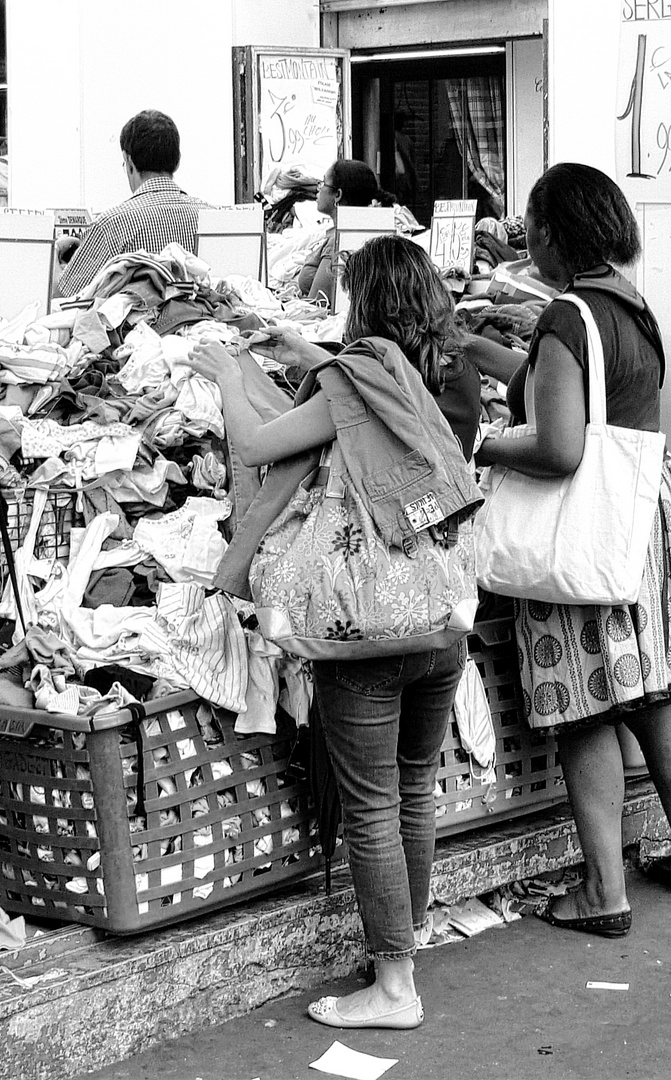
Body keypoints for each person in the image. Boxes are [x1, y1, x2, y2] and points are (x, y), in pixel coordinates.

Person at [187, 236, 480, 1031]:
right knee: (414, 783)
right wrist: (297, 353)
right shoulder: (429, 381)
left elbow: (257, 445)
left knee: (374, 804)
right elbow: (341, 409)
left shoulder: (352, 379)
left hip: (365, 633)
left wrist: (226, 378)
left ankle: (393, 987)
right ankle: (408, 935)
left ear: (365, 305)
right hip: (440, 622)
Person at [474, 163, 671, 935]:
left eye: (531, 226)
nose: (527, 240)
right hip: (647, 522)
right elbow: (582, 396)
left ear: (553, 233)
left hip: (585, 531)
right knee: (658, 696)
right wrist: (482, 351)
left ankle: (603, 893)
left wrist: (487, 444)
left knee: (588, 710)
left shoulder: (566, 315)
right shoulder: (631, 305)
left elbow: (557, 448)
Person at [54, 110, 204, 298]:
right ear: (178, 160)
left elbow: (62, 298)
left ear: (128, 160)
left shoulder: (110, 225)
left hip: (136, 327)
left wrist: (55, 252)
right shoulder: (213, 219)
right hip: (210, 325)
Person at [297, 159, 396, 306]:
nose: (318, 189)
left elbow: (317, 304)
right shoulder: (360, 231)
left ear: (337, 195)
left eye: (323, 183)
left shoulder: (337, 242)